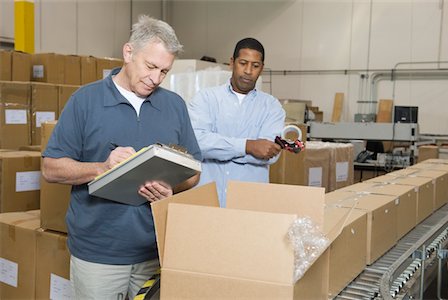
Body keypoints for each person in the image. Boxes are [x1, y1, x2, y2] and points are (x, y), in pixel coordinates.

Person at [42, 16, 201, 300]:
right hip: (99, 254)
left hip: (155, 251)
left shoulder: (174, 106)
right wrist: (102, 167)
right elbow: (51, 168)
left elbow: (194, 172)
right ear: (128, 52)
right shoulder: (85, 101)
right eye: (150, 66)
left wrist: (170, 189)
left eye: (164, 71)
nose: (155, 78)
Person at [188, 37, 285, 207]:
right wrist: (248, 146)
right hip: (206, 201)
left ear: (261, 68)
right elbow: (198, 144)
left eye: (255, 66)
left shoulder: (272, 107)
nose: (248, 71)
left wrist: (218, 149)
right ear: (232, 63)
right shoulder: (206, 99)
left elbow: (268, 155)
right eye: (243, 63)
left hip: (250, 203)